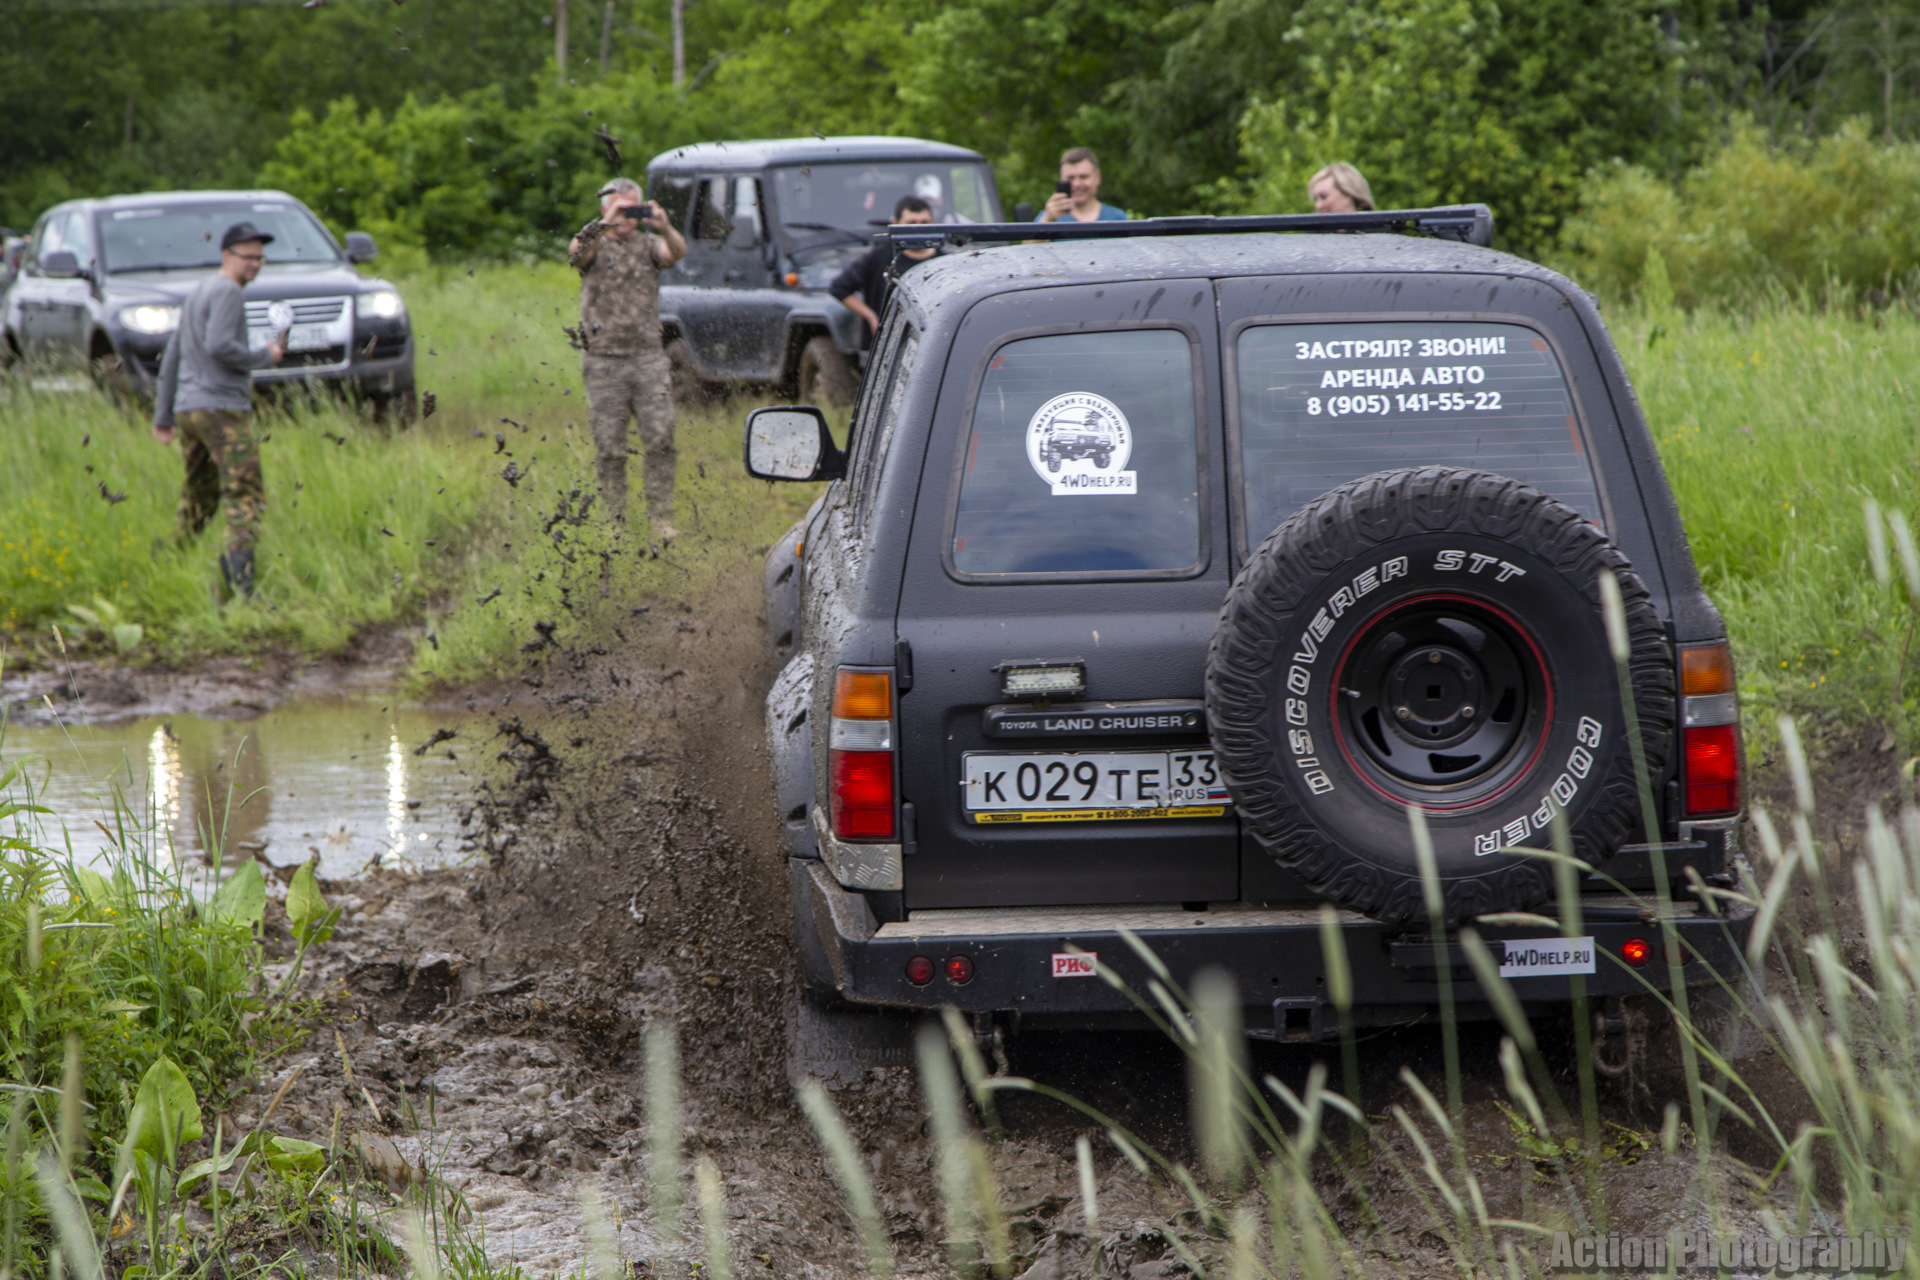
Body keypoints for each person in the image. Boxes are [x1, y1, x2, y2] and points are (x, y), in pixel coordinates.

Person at [152, 220, 285, 599]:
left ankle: (165, 567)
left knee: (200, 497)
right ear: (227, 255)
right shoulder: (227, 290)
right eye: (248, 257)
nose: (255, 264)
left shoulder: (199, 291)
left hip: (189, 411)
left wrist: (164, 416)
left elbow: (174, 354)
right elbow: (220, 346)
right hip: (221, 409)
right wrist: (265, 355)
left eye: (260, 258)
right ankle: (242, 590)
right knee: (246, 496)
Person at [568, 176, 689, 536]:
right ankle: (614, 523)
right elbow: (575, 254)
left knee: (661, 440)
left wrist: (665, 227)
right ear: (604, 209)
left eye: (632, 207)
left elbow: (677, 253)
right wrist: (606, 223)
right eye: (620, 208)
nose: (627, 216)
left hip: (648, 358)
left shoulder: (649, 245)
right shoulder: (595, 243)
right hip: (604, 360)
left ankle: (660, 518)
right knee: (610, 448)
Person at [830, 196, 938, 343]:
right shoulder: (879, 258)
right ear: (895, 224)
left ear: (933, 223)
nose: (918, 228)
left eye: (924, 223)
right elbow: (839, 287)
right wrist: (871, 317)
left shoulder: (945, 262)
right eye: (911, 223)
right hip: (882, 346)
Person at [1036, 147, 1128, 223]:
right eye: (1070, 178)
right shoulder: (1049, 217)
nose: (1076, 184)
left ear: (1097, 178)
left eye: (1083, 177)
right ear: (1061, 180)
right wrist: (1048, 219)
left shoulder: (1117, 218)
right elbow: (1028, 244)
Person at [1309, 163, 1375, 214]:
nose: (1318, 206)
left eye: (1323, 197)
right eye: (1315, 199)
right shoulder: (1314, 231)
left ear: (1347, 194)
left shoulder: (1378, 230)